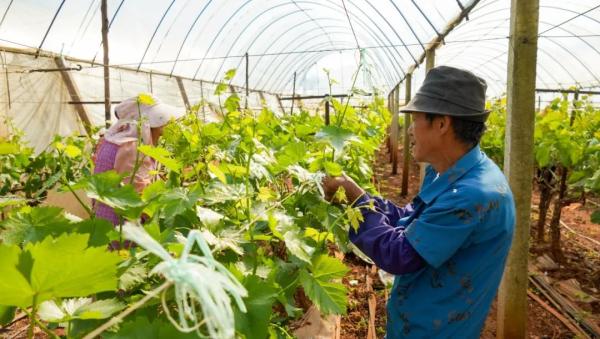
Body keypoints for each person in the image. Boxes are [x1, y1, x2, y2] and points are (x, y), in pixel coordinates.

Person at [323, 66, 515, 338]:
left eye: (415, 119)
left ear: (441, 124)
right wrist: (361, 196)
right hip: (419, 320)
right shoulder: (446, 171)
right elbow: (412, 219)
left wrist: (356, 200)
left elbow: (400, 254)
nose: (410, 130)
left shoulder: (473, 195)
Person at [93, 94, 184, 225]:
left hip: (103, 218)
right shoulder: (132, 147)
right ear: (146, 123)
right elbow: (137, 195)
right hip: (121, 226)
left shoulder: (114, 140)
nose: (166, 122)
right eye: (160, 119)